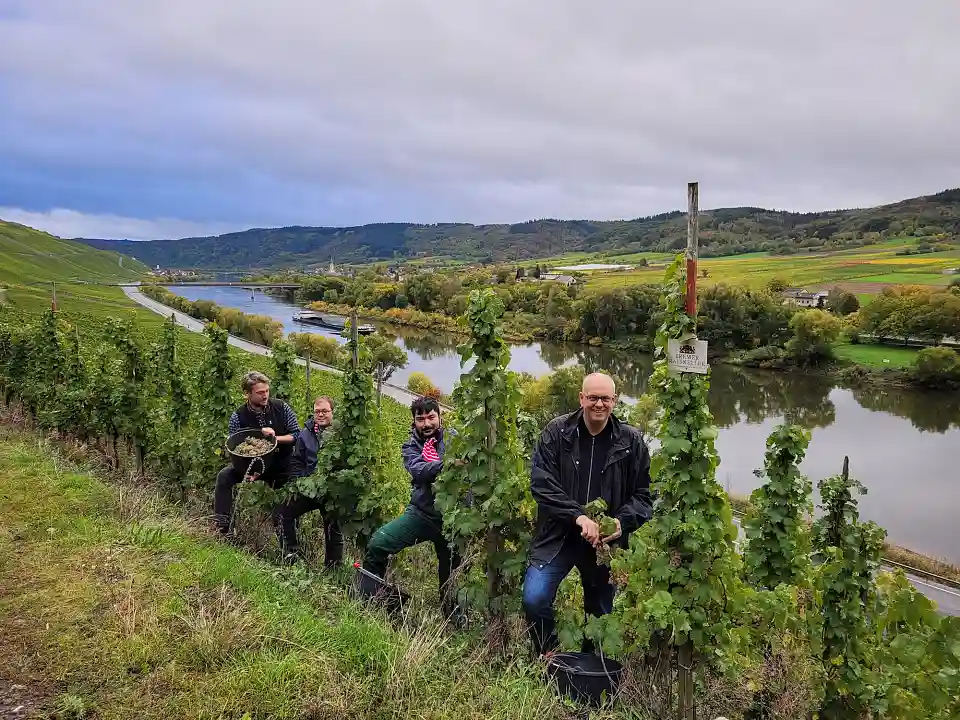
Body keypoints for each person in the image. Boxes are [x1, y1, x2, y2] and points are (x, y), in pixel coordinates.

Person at [522, 372, 653, 657]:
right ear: (581, 398)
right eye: (592, 397)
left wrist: (621, 523)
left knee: (600, 614)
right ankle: (549, 655)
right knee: (534, 598)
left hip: (604, 545)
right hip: (558, 536)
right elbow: (542, 485)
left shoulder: (632, 442)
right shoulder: (556, 433)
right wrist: (578, 517)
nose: (599, 404)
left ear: (615, 401)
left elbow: (644, 498)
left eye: (605, 398)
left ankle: (589, 667)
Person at [361, 396, 464, 619]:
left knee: (452, 574)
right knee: (379, 543)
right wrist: (447, 463)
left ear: (440, 416)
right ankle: (370, 600)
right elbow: (419, 471)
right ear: (414, 421)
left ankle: (453, 616)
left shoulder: (456, 438)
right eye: (420, 419)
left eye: (431, 417)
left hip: (453, 519)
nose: (426, 424)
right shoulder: (410, 446)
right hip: (422, 514)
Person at [213, 371, 301, 538]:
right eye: (260, 392)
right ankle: (222, 529)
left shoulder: (281, 408)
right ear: (247, 393)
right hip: (252, 465)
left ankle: (288, 543)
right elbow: (236, 446)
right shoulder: (238, 417)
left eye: (267, 391)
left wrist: (275, 438)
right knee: (224, 477)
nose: (265, 395)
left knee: (287, 497)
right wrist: (247, 471)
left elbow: (296, 434)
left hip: (280, 465)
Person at [274, 396, 344, 567]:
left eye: (325, 411)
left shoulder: (343, 434)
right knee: (282, 512)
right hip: (311, 487)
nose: (320, 415)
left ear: (332, 412)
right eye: (317, 411)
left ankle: (333, 569)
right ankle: (292, 556)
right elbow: (297, 461)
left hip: (333, 491)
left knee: (333, 529)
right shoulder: (306, 434)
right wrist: (304, 481)